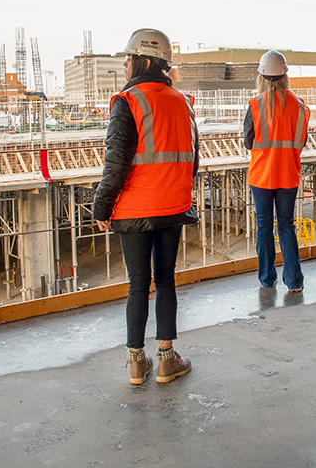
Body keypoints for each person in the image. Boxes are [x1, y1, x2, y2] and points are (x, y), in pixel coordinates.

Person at [93, 28, 198, 385]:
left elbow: (116, 162)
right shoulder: (182, 102)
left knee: (138, 284)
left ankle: (137, 362)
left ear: (144, 60)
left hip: (134, 208)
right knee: (165, 280)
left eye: (128, 57)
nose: (124, 64)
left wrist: (101, 207)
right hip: (173, 206)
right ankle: (167, 359)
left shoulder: (128, 101)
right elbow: (192, 159)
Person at [243, 50, 310, 292]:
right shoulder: (300, 106)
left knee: (264, 227)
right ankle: (294, 281)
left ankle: (266, 278)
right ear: (285, 75)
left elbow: (248, 142)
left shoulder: (255, 105)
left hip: (261, 176)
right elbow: (301, 141)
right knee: (286, 226)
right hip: (288, 175)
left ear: (261, 76)